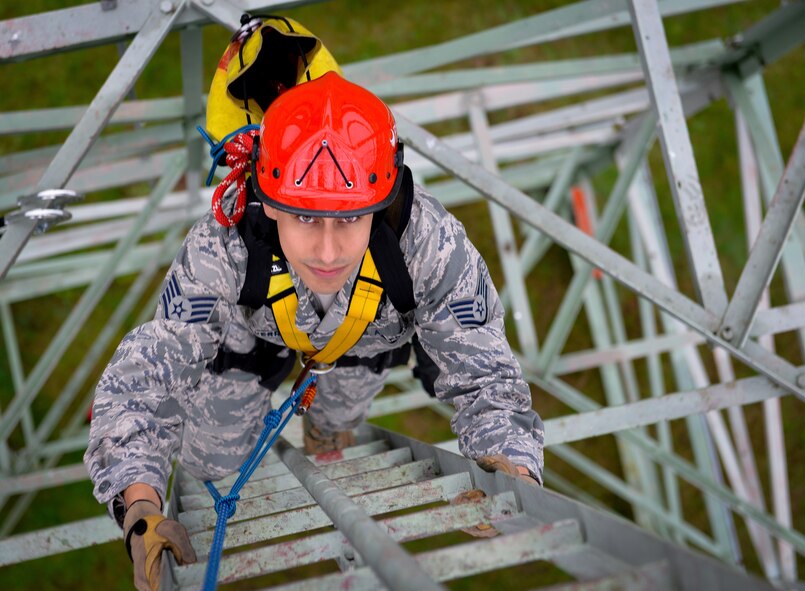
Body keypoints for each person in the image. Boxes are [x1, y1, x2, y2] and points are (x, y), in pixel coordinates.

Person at [84, 69, 544, 590]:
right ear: (269, 199)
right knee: (207, 460)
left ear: (384, 202)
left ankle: (326, 427)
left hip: (362, 349)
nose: (328, 252)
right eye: (305, 218)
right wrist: (141, 508)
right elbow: (145, 376)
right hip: (252, 343)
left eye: (349, 220)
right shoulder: (225, 242)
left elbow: (488, 376)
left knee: (334, 433)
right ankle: (268, 422)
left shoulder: (430, 244)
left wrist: (509, 468)